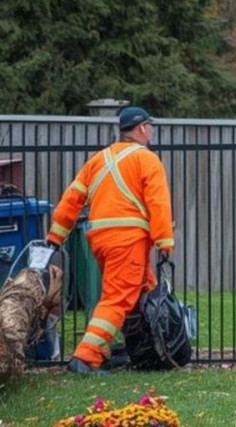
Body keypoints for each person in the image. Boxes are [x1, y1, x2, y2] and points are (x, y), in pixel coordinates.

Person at [46, 106, 175, 375]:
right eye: (151, 126)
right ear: (142, 128)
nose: (152, 131)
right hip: (128, 240)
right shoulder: (147, 159)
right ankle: (86, 357)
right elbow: (158, 203)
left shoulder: (98, 160)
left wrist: (56, 236)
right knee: (118, 298)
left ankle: (140, 350)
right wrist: (164, 241)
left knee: (143, 289)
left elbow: (72, 199)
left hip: (101, 240)